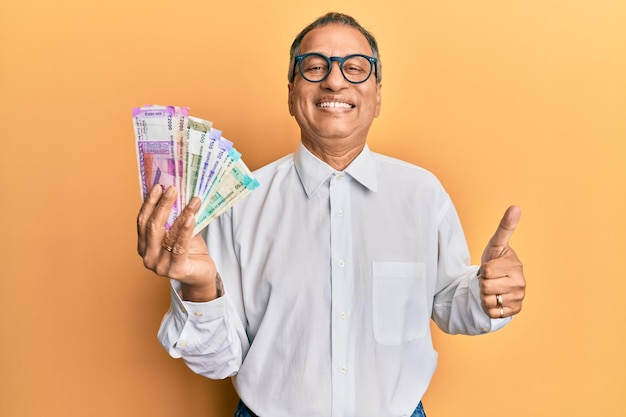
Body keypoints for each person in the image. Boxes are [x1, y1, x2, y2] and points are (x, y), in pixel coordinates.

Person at [136, 12, 526, 417]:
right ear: (291, 95)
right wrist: (200, 288)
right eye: (315, 67)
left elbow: (451, 304)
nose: (335, 81)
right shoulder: (238, 203)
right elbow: (218, 361)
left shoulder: (423, 194)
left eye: (355, 68)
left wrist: (488, 295)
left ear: (377, 96)